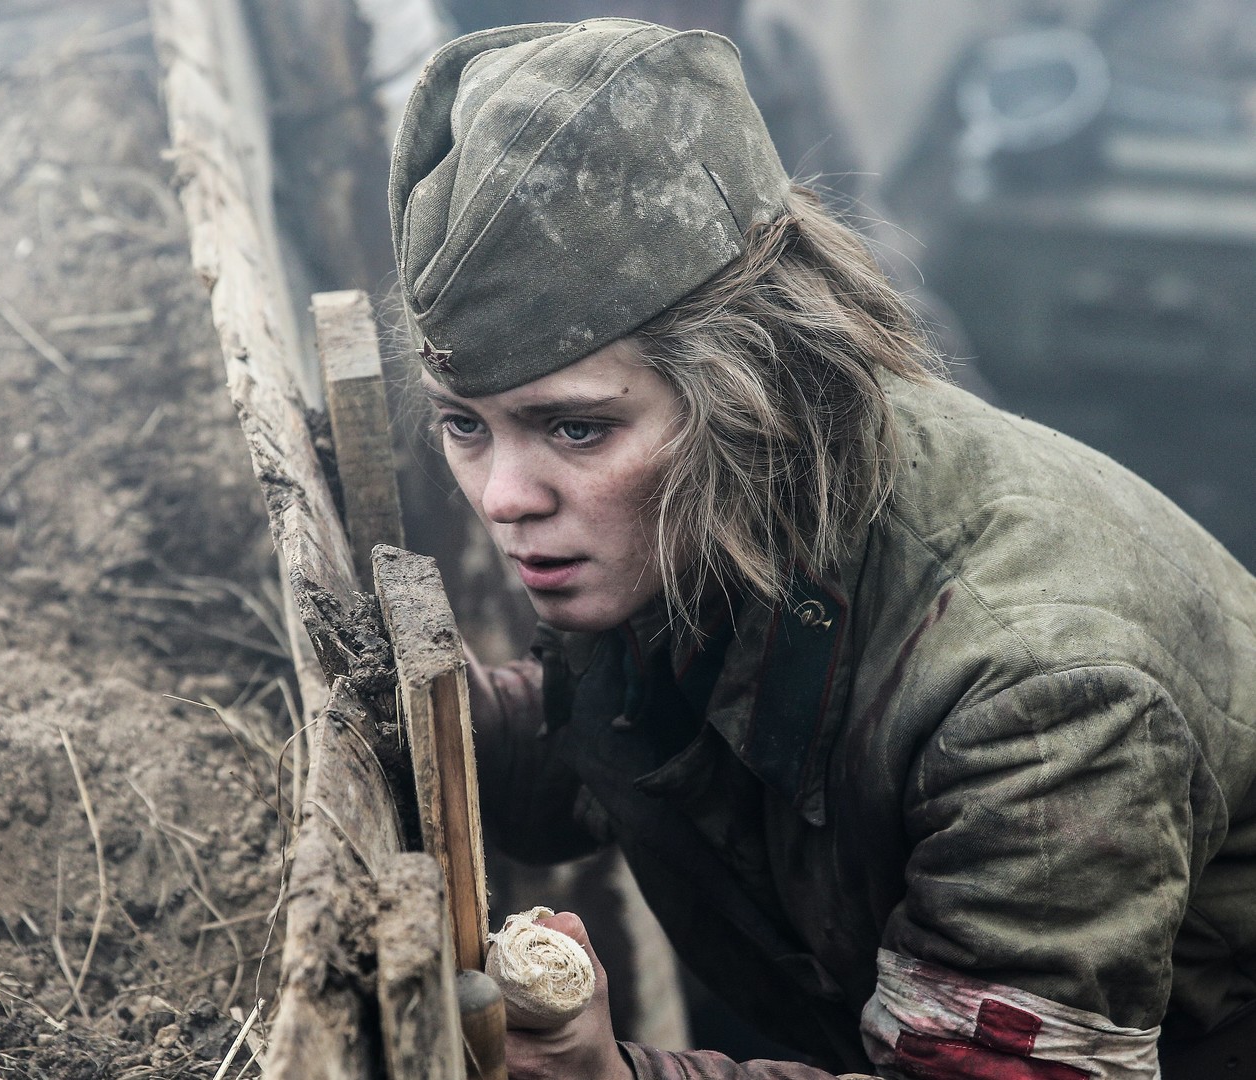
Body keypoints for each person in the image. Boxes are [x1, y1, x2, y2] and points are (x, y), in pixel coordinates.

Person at [386, 18, 1256, 1080]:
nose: (504, 498)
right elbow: (631, 742)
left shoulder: (1039, 700)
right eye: (464, 425)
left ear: (747, 390)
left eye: (575, 428)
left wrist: (611, 1076)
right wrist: (418, 726)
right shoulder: (715, 506)